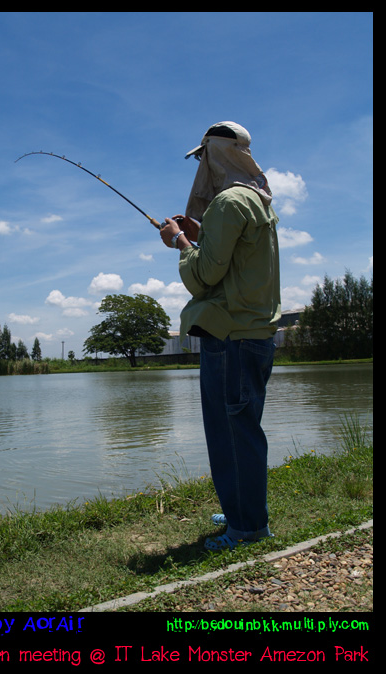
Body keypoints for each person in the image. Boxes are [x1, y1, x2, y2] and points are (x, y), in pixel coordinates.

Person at [160, 121, 281, 551]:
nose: (201, 165)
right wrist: (199, 234)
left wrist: (179, 242)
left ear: (214, 153)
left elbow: (205, 275)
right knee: (241, 429)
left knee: (233, 433)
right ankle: (241, 510)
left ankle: (247, 527)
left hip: (231, 337)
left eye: (202, 156)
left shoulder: (229, 202)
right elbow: (231, 260)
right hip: (252, 334)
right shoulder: (255, 199)